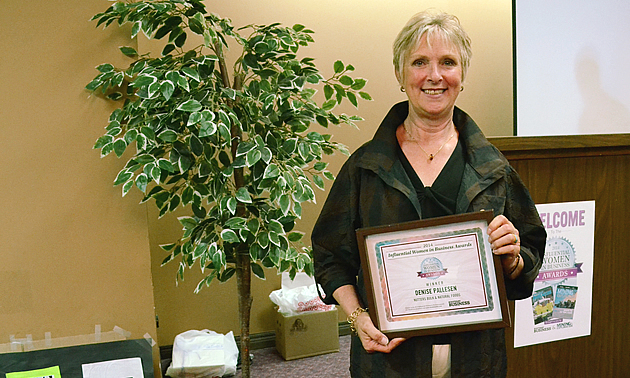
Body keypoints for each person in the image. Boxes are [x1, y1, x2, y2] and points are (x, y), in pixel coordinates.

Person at [312, 10, 546, 378]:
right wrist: (358, 318)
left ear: (462, 75)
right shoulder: (365, 167)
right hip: (389, 361)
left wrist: (513, 255)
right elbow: (329, 255)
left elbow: (528, 252)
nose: (434, 76)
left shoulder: (493, 168)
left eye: (448, 62)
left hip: (476, 360)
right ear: (400, 74)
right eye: (420, 62)